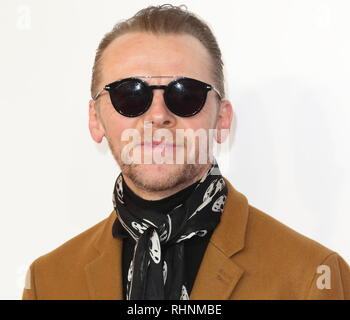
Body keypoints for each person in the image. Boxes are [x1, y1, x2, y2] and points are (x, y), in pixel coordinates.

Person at [22, 4, 349, 300]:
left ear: (222, 120)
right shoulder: (47, 281)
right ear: (96, 120)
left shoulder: (310, 278)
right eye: (131, 95)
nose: (158, 115)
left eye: (185, 94)